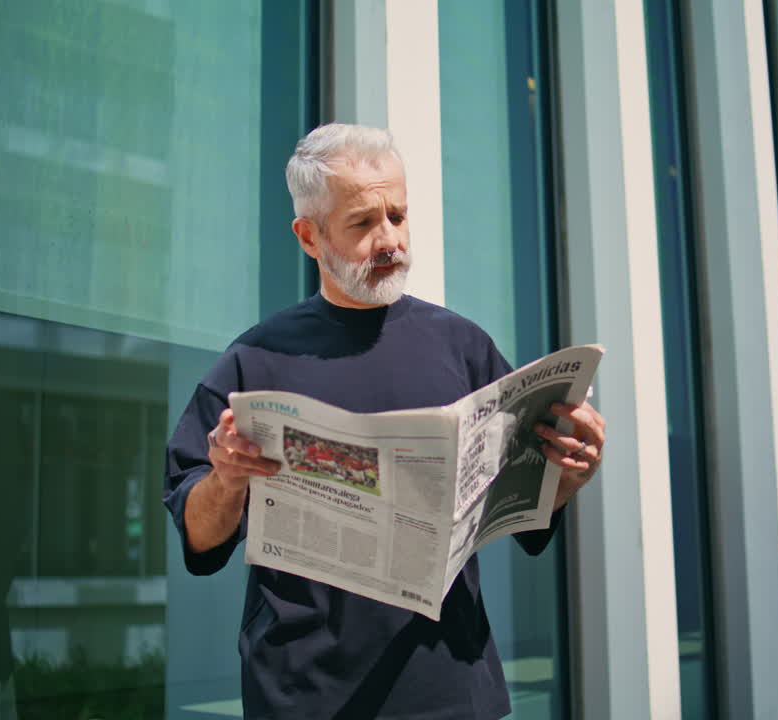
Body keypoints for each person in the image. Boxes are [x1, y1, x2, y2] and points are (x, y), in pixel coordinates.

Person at [164, 123, 605, 719]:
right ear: (308, 236)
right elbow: (198, 537)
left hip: (450, 686)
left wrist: (566, 477)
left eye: (397, 216)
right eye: (363, 223)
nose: (390, 240)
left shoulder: (463, 346)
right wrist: (225, 479)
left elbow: (528, 519)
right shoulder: (254, 360)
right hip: (305, 695)